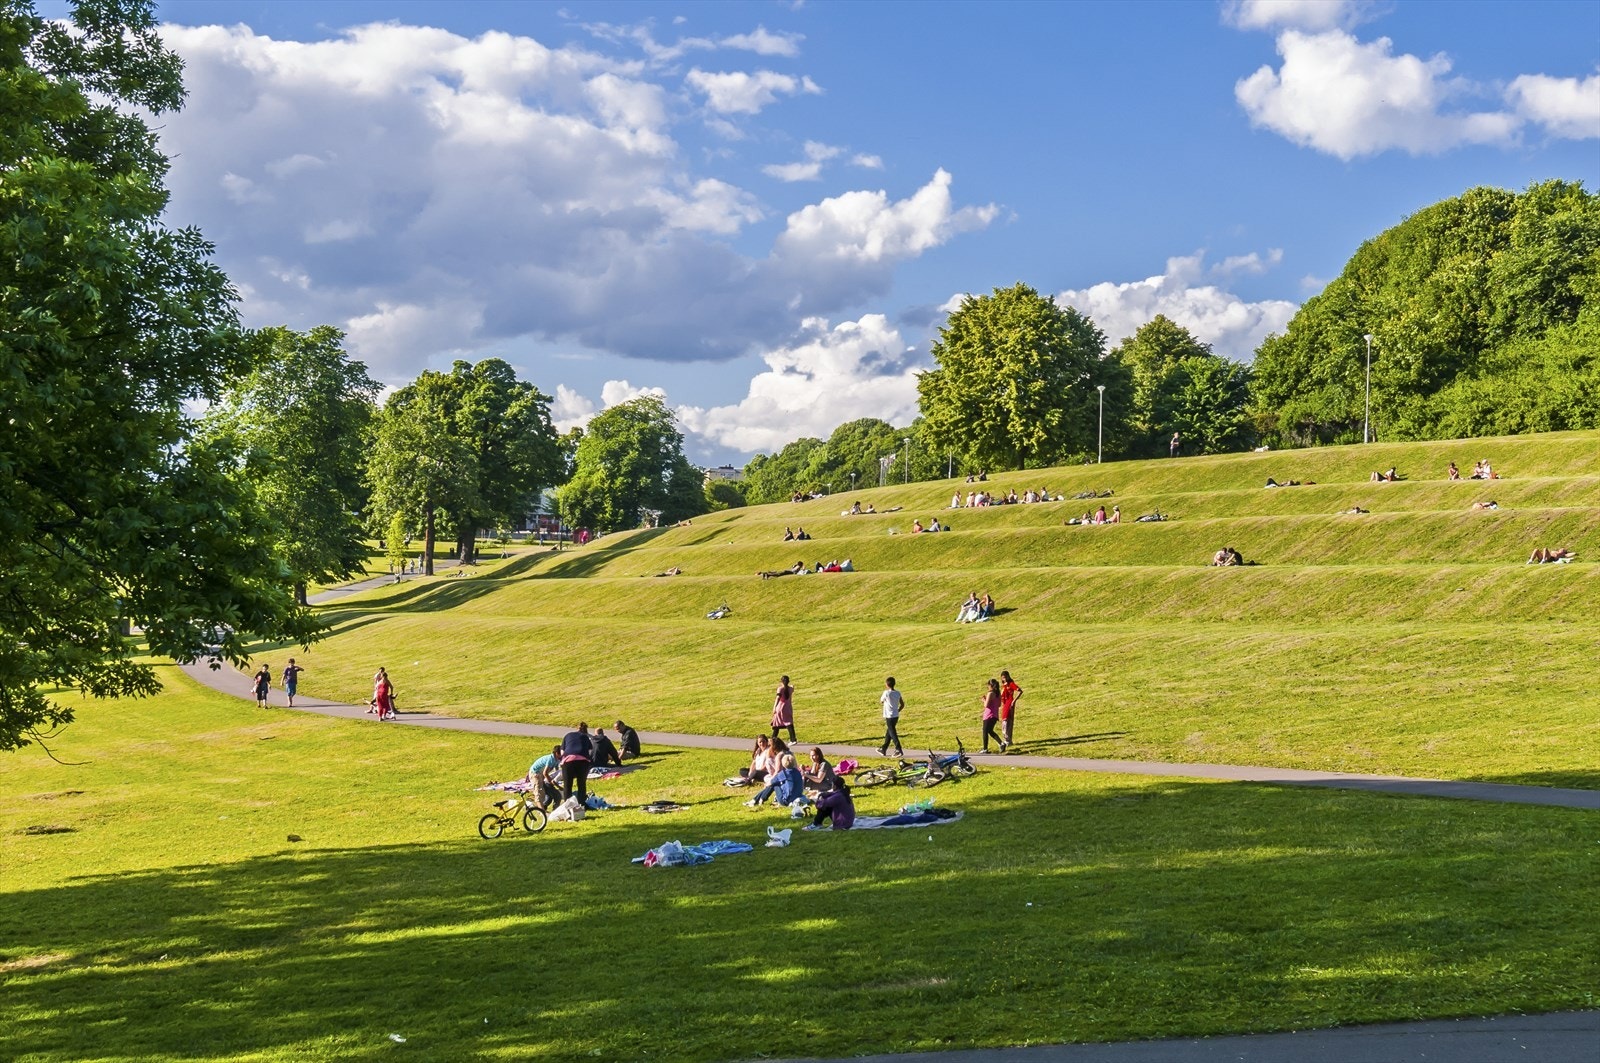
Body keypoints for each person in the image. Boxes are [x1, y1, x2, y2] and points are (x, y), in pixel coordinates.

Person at [559, 723, 593, 806]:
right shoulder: (585, 737)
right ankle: (582, 804)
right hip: (582, 762)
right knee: (581, 784)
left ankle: (567, 805)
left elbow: (562, 752)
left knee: (567, 785)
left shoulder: (568, 735)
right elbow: (590, 751)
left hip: (568, 762)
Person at [878, 676, 905, 758]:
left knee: (892, 733)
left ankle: (898, 749)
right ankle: (883, 749)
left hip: (889, 716)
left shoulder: (886, 693)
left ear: (887, 684)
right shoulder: (898, 693)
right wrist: (897, 710)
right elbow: (902, 704)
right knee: (889, 732)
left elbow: (881, 701)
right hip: (896, 715)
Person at [980, 678, 1004, 753]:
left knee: (985, 731)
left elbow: (986, 705)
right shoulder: (998, 694)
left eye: (988, 685)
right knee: (990, 731)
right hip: (995, 715)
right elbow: (999, 704)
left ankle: (985, 748)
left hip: (988, 715)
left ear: (990, 685)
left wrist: (984, 700)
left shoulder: (990, 693)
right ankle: (1001, 743)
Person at [999, 669, 1022, 748]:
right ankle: (1007, 739)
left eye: (1005, 677)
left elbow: (1019, 691)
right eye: (1003, 678)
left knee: (1007, 721)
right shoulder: (1004, 685)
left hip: (1009, 704)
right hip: (1005, 704)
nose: (1004, 679)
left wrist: (1014, 701)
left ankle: (1008, 739)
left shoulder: (1011, 684)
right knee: (1005, 721)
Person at [771, 675, 797, 742]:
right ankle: (793, 739)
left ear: (781, 681)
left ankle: (773, 739)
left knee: (776, 724)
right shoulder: (790, 689)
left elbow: (777, 698)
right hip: (788, 708)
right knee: (789, 723)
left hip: (780, 708)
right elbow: (792, 687)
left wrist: (774, 707)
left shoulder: (780, 689)